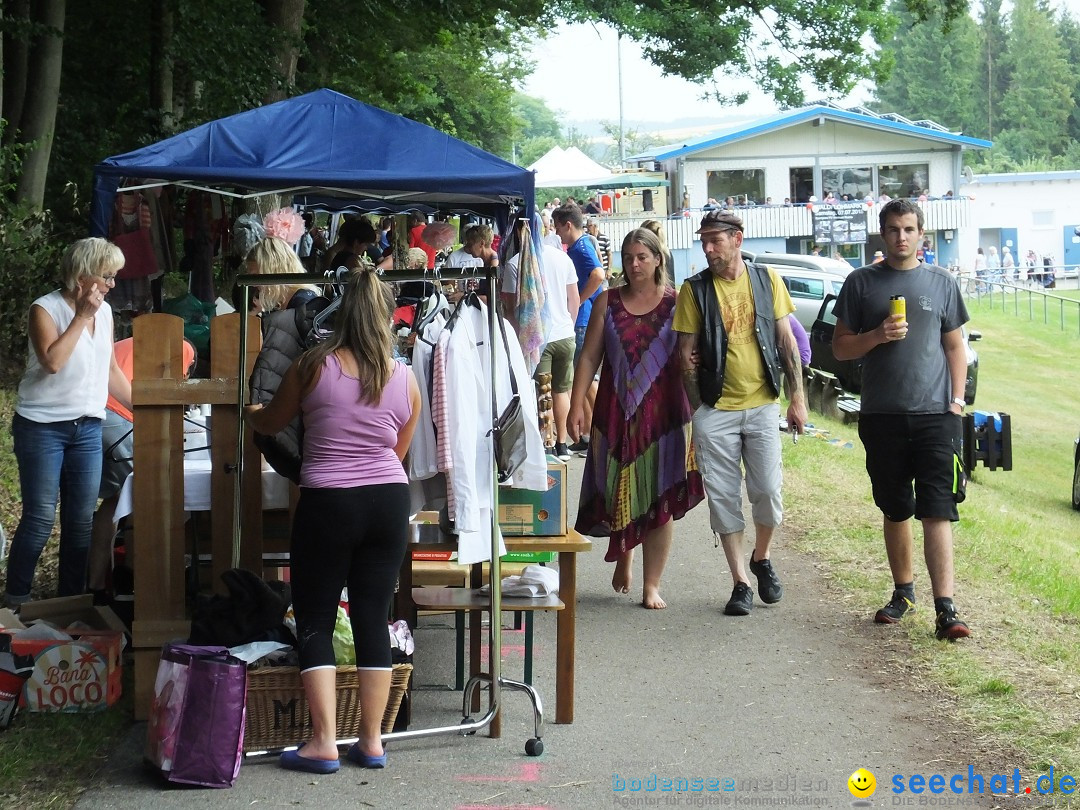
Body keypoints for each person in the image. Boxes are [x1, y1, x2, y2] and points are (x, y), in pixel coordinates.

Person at [244, 267, 422, 773]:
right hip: (388, 500)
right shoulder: (404, 376)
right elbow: (397, 450)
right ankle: (371, 741)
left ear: (338, 312)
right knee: (372, 616)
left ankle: (323, 742)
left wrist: (249, 412)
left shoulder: (312, 364)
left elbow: (272, 422)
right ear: (388, 318)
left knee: (317, 616)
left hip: (327, 501)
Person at [830, 198, 971, 642]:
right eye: (893, 229)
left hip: (935, 417)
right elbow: (839, 348)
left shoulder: (942, 282)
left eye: (909, 229)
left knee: (938, 510)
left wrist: (955, 401)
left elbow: (955, 347)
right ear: (882, 233)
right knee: (896, 508)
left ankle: (945, 609)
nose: (901, 237)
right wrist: (876, 336)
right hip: (882, 414)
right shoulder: (860, 283)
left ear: (921, 234)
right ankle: (903, 592)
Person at [673, 211, 807, 617]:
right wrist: (698, 410)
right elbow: (685, 355)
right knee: (724, 497)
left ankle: (761, 557)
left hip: (764, 403)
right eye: (704, 241)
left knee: (767, 491)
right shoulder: (694, 290)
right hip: (716, 409)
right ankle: (739, 582)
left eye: (715, 240)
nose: (708, 249)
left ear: (738, 239)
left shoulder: (767, 281)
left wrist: (797, 398)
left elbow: (786, 341)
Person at [569, 228, 705, 609]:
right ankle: (624, 552)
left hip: (665, 415)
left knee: (660, 496)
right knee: (615, 489)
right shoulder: (607, 303)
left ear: (658, 258)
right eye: (629, 257)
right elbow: (590, 357)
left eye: (642, 257)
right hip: (615, 409)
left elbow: (694, 354)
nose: (635, 264)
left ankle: (652, 585)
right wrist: (577, 403)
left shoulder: (679, 303)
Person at [4, 238, 133, 607]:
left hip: (88, 428)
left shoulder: (106, 313)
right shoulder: (44, 309)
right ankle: (15, 601)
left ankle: (70, 604)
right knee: (41, 517)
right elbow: (53, 362)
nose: (111, 285)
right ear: (82, 275)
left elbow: (110, 371)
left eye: (114, 277)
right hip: (42, 427)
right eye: (106, 276)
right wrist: (81, 317)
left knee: (80, 522)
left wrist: (146, 408)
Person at [502, 239, 579, 461]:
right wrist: (569, 325)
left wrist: (518, 342)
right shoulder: (562, 257)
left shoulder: (516, 263)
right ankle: (562, 444)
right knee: (561, 390)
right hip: (565, 334)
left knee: (543, 391)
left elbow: (510, 308)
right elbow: (573, 298)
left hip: (537, 337)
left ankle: (548, 443)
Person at [552, 203, 605, 453]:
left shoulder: (581, 247)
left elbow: (598, 274)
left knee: (585, 378)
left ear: (568, 225)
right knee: (580, 378)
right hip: (583, 318)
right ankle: (587, 435)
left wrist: (579, 300)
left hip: (583, 319)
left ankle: (599, 430)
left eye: (558, 227)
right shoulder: (580, 245)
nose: (557, 233)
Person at [246, 236, 321, 314]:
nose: (253, 284)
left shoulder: (303, 303)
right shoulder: (280, 302)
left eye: (256, 276)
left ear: (273, 271)